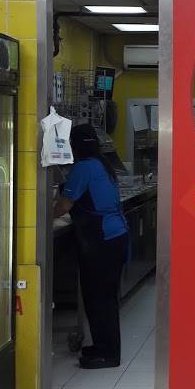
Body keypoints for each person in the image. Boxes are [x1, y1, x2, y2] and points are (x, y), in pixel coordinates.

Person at [54, 124, 128, 369]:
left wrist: (41, 216)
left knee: (99, 299)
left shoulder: (83, 167)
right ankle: (103, 347)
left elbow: (63, 206)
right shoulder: (101, 164)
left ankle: (107, 354)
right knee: (104, 298)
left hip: (101, 240)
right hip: (115, 236)